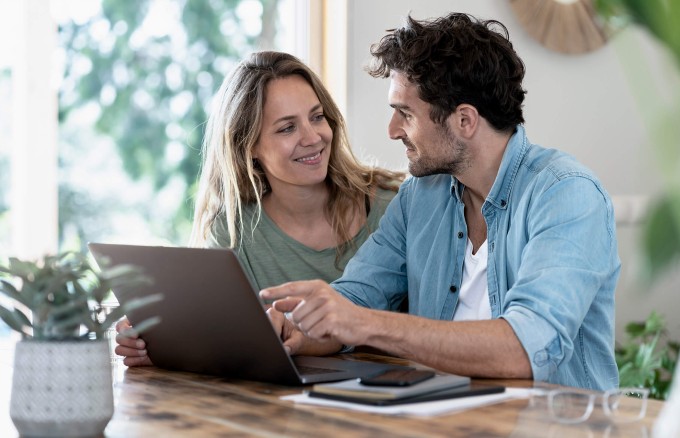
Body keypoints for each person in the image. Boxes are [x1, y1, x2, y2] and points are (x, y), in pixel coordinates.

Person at [261, 13, 621, 390]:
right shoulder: (420, 197)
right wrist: (298, 329)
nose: (392, 130)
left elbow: (526, 349)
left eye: (405, 114)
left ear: (464, 120)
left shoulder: (566, 195)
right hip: (440, 418)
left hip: (551, 425)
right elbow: (357, 297)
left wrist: (362, 322)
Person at [116, 51, 404, 367]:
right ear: (249, 145)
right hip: (283, 403)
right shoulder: (233, 230)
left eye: (317, 116)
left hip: (398, 398)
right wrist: (160, 344)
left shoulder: (393, 206)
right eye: (287, 128)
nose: (312, 137)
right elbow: (215, 337)